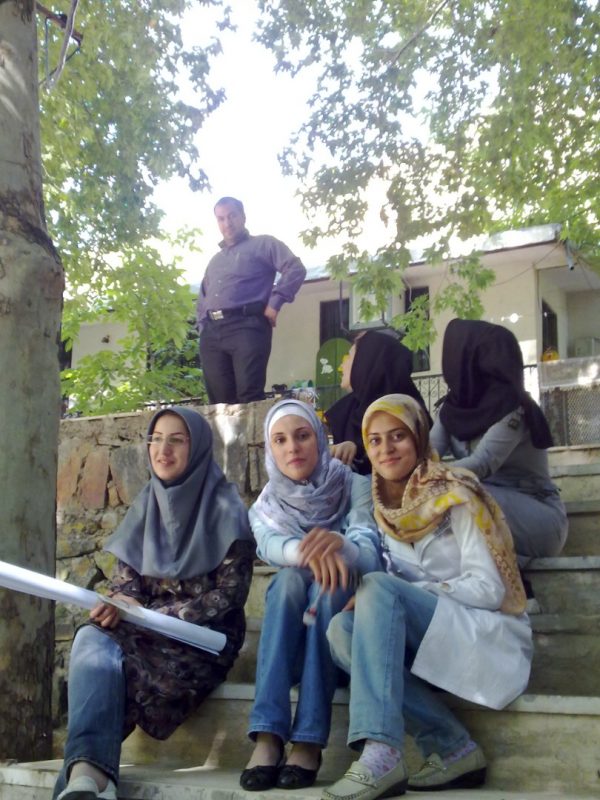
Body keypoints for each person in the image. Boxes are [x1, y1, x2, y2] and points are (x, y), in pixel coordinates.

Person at [323, 394, 532, 800]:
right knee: (340, 629)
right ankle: (452, 746)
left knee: (378, 587)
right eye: (375, 440)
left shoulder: (456, 492)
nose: (386, 449)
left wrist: (407, 595)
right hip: (434, 638)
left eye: (398, 436)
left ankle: (381, 752)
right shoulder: (383, 510)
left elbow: (491, 589)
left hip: (485, 634)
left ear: (419, 437)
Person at [54, 406, 255, 800]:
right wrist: (121, 601)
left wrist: (148, 615)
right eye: (156, 439)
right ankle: (88, 778)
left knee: (110, 668)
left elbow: (227, 598)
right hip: (144, 633)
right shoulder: (146, 506)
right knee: (92, 638)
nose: (163, 450)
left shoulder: (227, 508)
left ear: (197, 448)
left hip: (201, 642)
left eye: (176, 440)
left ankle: (89, 778)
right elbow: (126, 584)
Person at [240, 400, 380, 792]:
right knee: (286, 581)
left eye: (302, 436)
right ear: (270, 449)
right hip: (293, 638)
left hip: (339, 635)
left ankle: (309, 740)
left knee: (328, 584)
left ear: (319, 439)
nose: (292, 448)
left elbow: (369, 554)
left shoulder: (353, 484)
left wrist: (341, 546)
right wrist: (313, 553)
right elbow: (271, 546)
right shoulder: (265, 507)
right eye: (280, 440)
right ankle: (268, 734)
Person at [430, 318, 568, 561]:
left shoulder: (514, 407)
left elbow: (482, 463)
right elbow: (428, 454)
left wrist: (426, 479)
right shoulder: (450, 410)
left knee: (459, 495)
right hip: (482, 506)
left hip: (537, 515)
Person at [196, 196, 307, 404]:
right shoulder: (215, 260)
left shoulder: (264, 244)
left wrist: (275, 303)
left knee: (249, 397)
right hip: (212, 333)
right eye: (221, 219)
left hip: (246, 326)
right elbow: (203, 297)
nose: (227, 223)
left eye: (232, 216)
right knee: (219, 404)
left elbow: (295, 268)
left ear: (243, 216)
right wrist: (203, 328)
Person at [325, 330, 431, 475]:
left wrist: (357, 449)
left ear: (364, 362)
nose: (342, 365)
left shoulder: (405, 410)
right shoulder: (346, 410)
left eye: (348, 356)